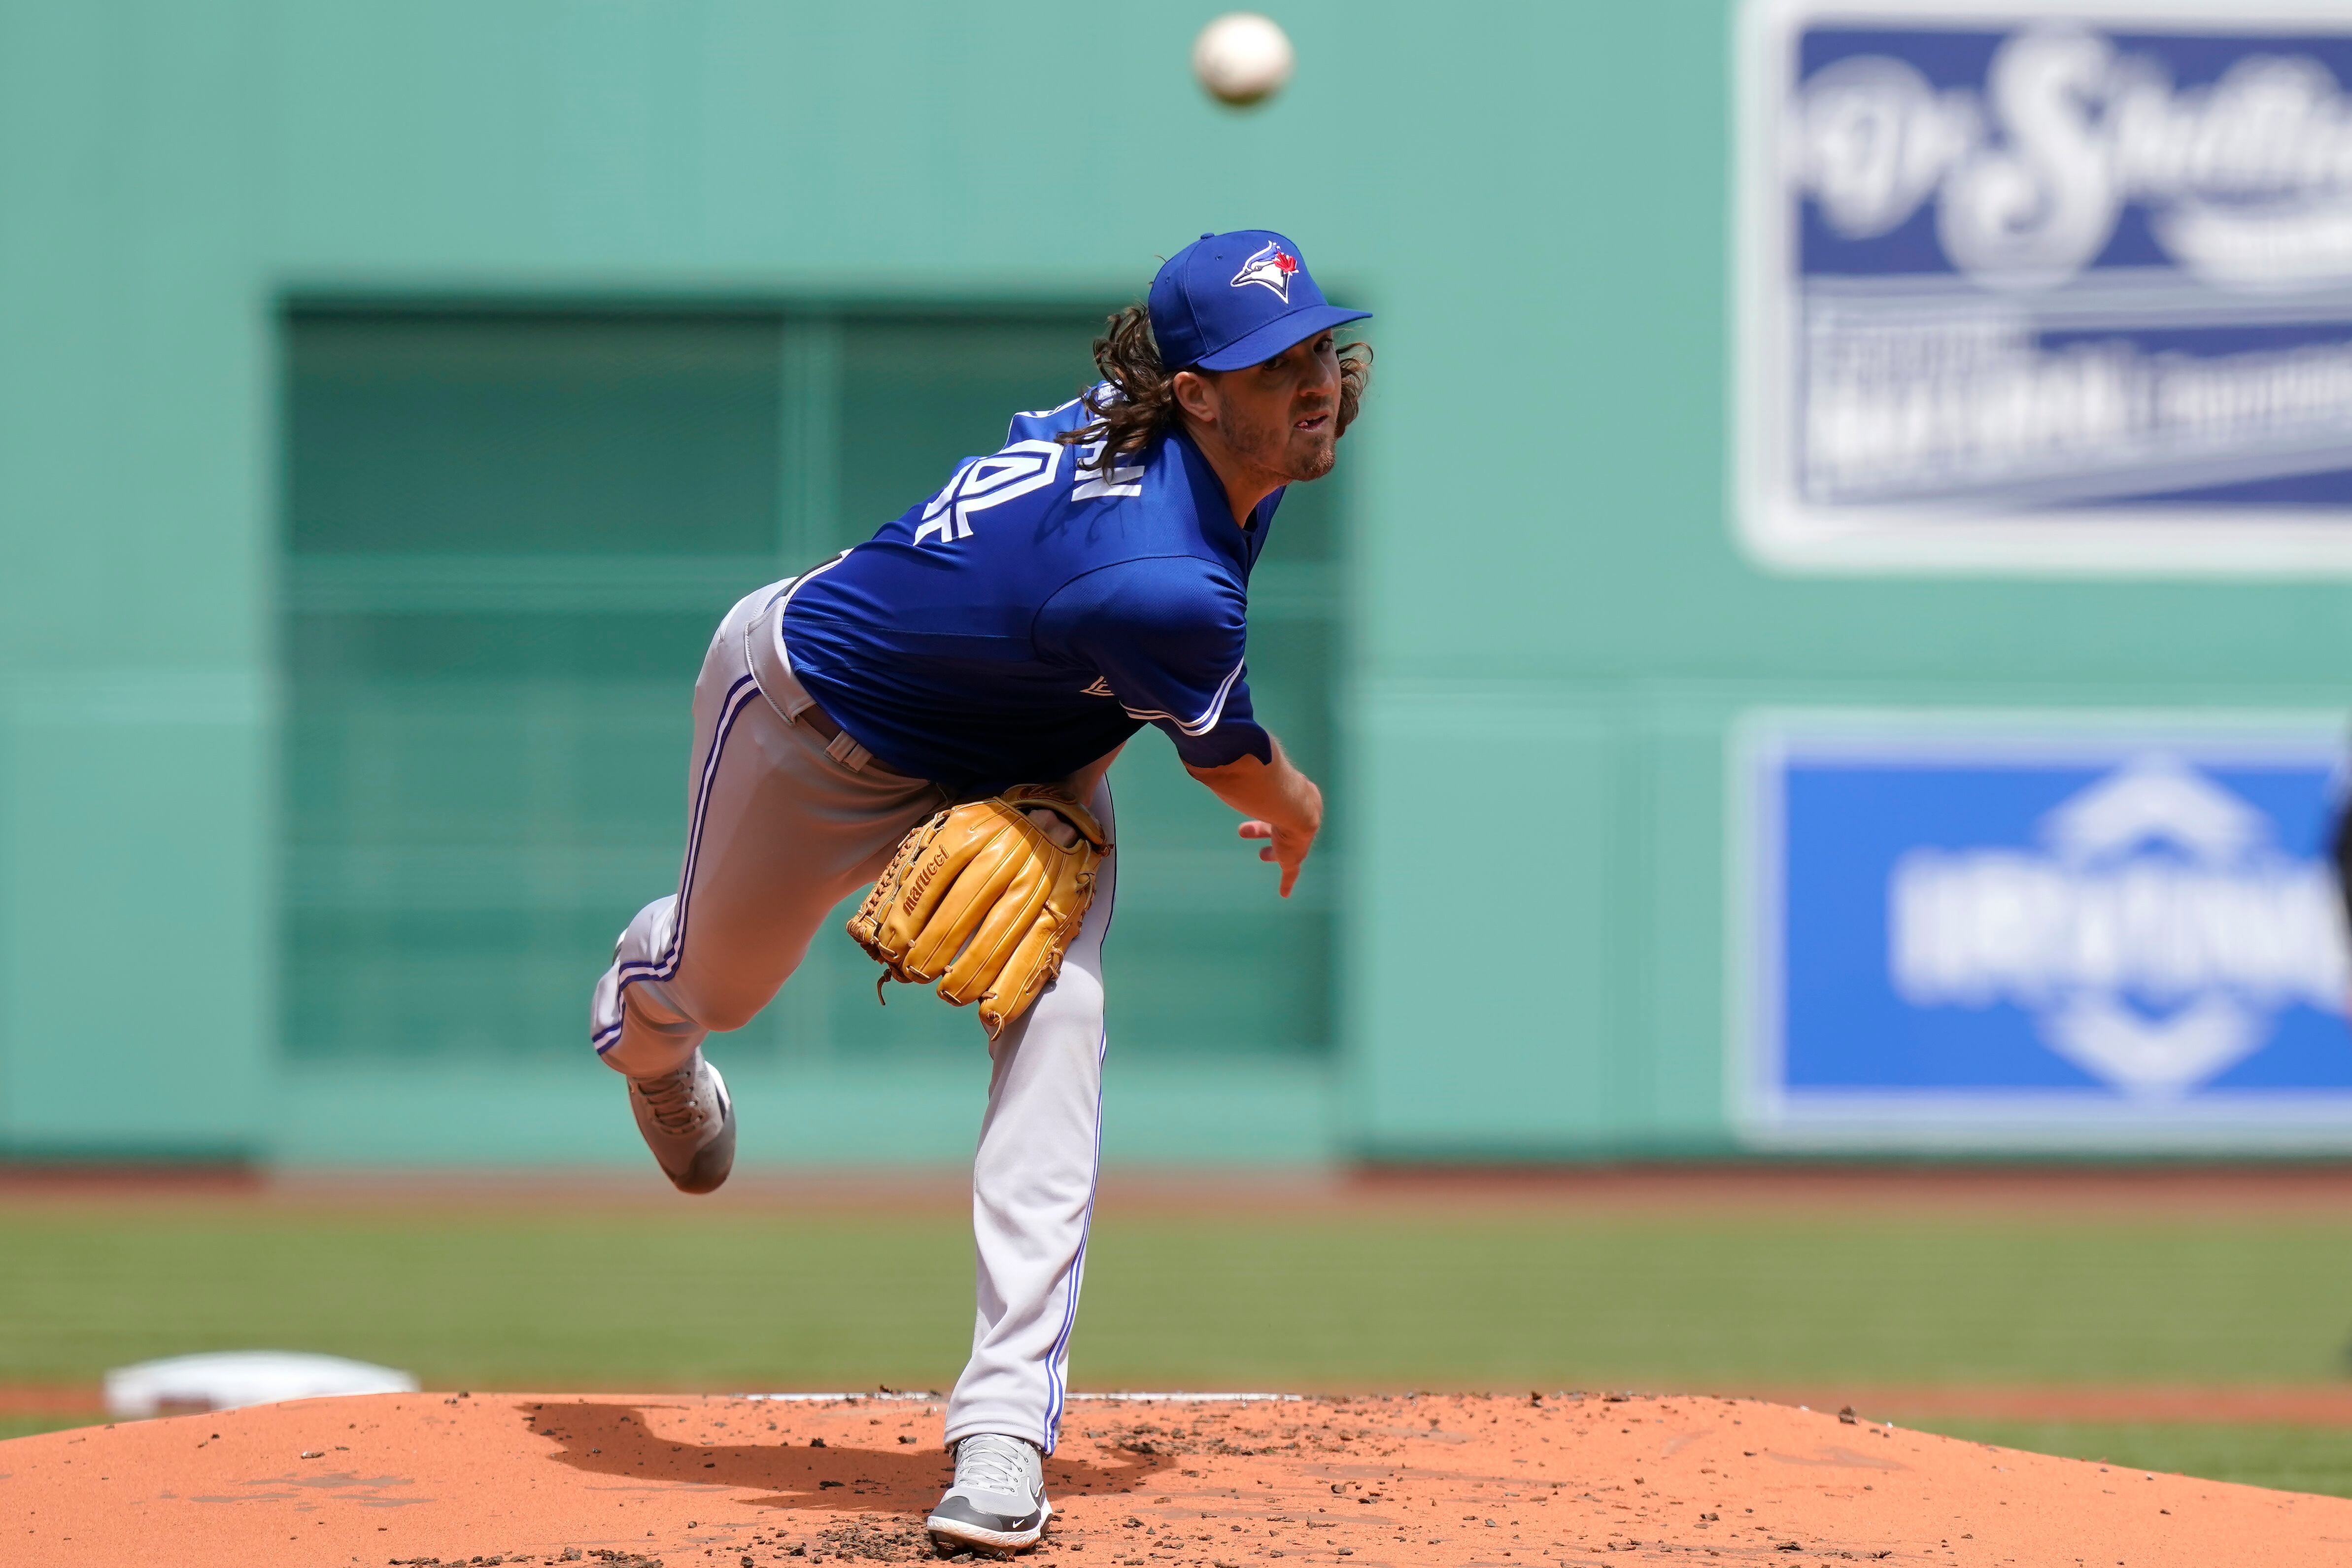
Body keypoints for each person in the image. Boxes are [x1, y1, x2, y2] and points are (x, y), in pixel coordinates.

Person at [586, 230, 1370, 1555]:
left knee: (1064, 1020)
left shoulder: (1216, 450)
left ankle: (1004, 1428)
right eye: (1270, 365)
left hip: (1026, 765)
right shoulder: (1160, 581)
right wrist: (1299, 809)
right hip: (814, 725)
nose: (1314, 384)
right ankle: (647, 1020)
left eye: (1319, 349)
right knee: (718, 985)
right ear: (1190, 394)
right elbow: (1234, 764)